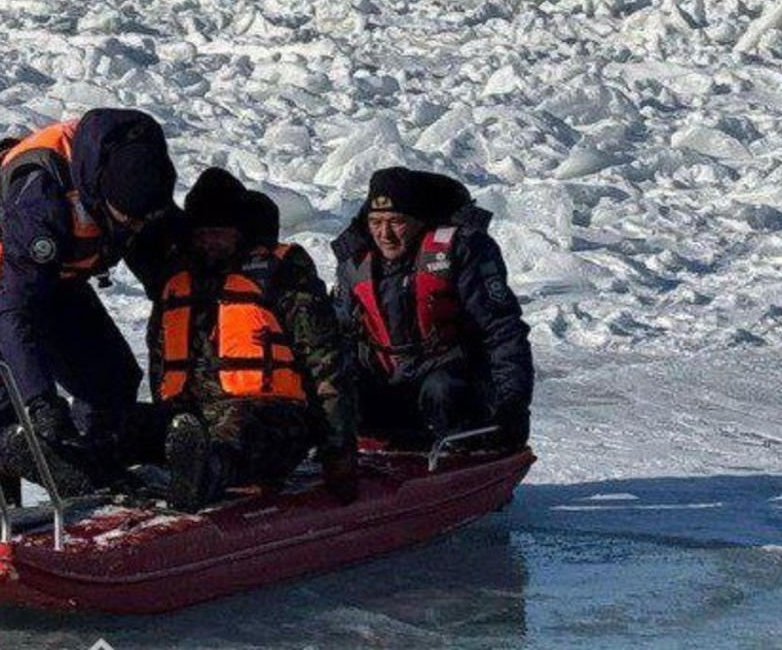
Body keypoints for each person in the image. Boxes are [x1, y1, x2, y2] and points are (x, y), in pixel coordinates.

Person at [0, 108, 179, 511]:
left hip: (52, 270)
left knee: (111, 376)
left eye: (143, 222)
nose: (134, 230)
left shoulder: (143, 176)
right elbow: (14, 314)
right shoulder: (41, 198)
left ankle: (95, 476)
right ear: (101, 195)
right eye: (127, 221)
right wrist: (41, 403)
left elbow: (169, 278)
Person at [148, 167, 359, 510]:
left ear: (240, 233)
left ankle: (201, 476)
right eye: (201, 234)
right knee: (134, 426)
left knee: (235, 434)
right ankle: (83, 467)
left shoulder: (281, 276)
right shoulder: (178, 283)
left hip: (272, 417)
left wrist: (338, 450)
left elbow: (325, 363)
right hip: (193, 418)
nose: (208, 243)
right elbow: (160, 364)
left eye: (219, 234)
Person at [331, 167, 533, 450]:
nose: (384, 234)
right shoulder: (354, 262)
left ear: (419, 221)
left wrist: (513, 404)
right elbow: (335, 335)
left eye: (396, 222)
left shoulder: (460, 251)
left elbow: (502, 330)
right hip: (388, 385)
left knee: (442, 390)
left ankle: (464, 455)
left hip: (453, 384)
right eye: (375, 222)